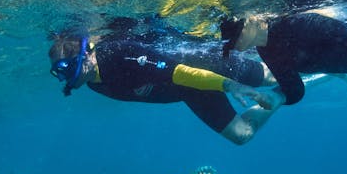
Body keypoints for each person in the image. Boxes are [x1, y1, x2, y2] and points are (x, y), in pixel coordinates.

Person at [49, 28, 284, 144]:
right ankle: (282, 96)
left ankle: (300, 69)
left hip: (203, 65)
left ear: (87, 55)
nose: (69, 78)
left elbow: (179, 72)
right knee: (241, 135)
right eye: (61, 73)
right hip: (189, 91)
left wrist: (230, 85)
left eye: (70, 69)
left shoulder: (120, 54)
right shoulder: (92, 83)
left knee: (270, 76)